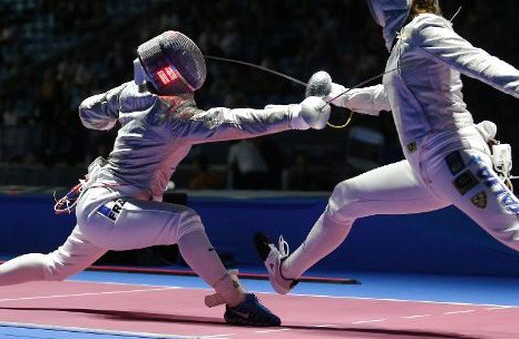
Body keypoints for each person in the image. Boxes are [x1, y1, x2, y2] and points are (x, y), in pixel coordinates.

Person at [255, 0, 519, 295]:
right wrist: (338, 96)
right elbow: (386, 98)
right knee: (345, 197)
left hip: (454, 159)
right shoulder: (406, 45)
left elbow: (474, 58)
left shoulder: (424, 29)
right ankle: (285, 273)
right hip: (426, 170)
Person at [0, 30, 331, 326]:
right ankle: (237, 302)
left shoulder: (133, 94)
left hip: (103, 204)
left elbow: (88, 112)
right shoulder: (174, 116)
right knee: (184, 222)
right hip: (108, 206)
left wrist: (114, 105)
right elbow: (237, 121)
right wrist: (297, 115)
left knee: (56, 266)